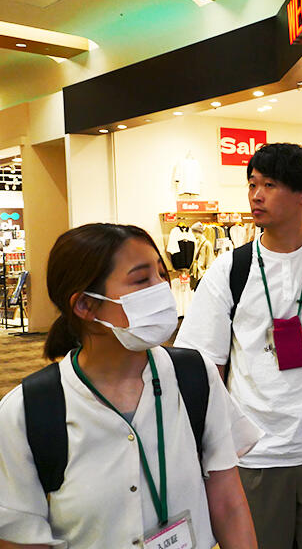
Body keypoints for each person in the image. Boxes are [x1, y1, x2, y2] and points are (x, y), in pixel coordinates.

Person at [175, 142, 302, 549]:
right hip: (254, 459)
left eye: (269, 184)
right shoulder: (229, 271)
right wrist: (209, 456)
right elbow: (207, 371)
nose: (256, 195)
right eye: (252, 184)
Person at [0, 223, 261, 548]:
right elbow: (21, 539)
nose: (162, 289)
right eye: (141, 280)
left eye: (161, 275)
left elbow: (229, 504)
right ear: (84, 305)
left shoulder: (194, 376)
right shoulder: (28, 412)